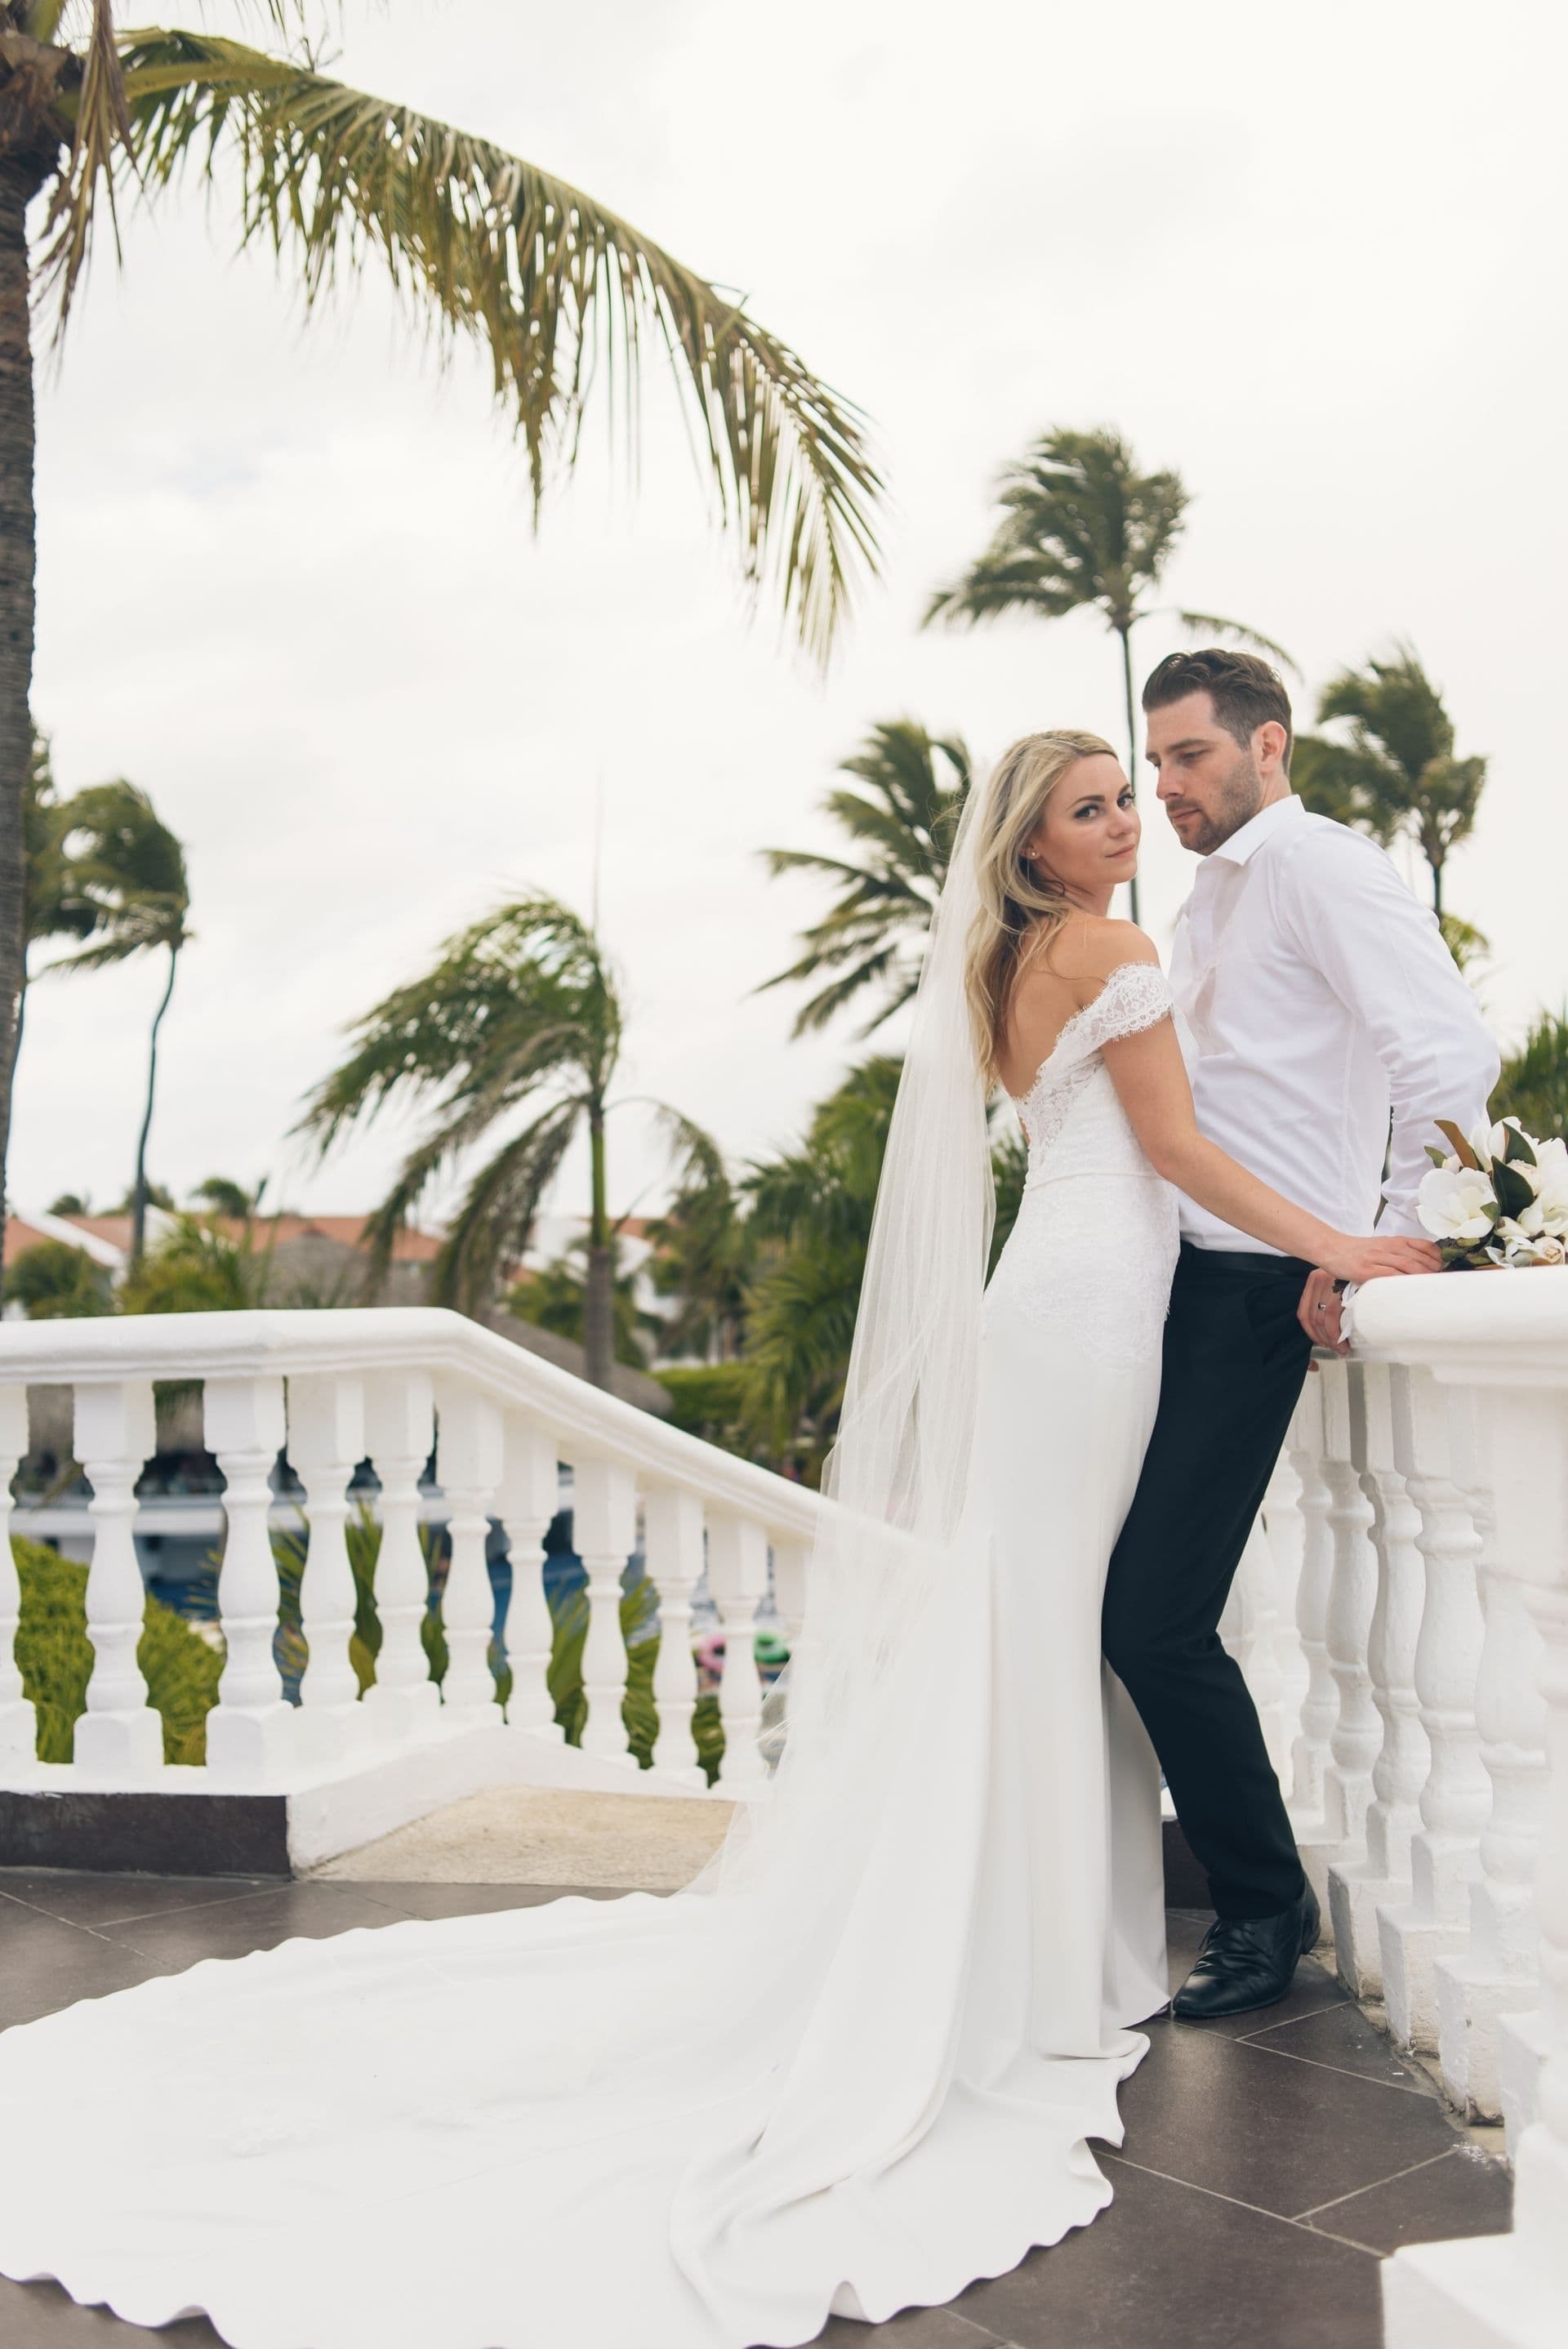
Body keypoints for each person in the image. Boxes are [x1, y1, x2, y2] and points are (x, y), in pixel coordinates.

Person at [0, 728, 1438, 2349]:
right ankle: (1043, 1951)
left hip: (1051, 1302)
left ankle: (1043, 1938)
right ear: (1038, 848)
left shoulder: (1004, 959)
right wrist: (1349, 1239)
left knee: (1035, 1607)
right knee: (1054, 1612)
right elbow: (1178, 1153)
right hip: (1102, 1312)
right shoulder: (1112, 946)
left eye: (1127, 801)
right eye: (1095, 808)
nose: (1126, 826)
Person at [1102, 649, 1499, 2021]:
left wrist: (1386, 1236)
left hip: (1261, 1286)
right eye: (1152, 764)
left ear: (1268, 746)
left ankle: (1262, 1910)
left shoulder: (1320, 866)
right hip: (1174, 1275)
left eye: (1189, 758)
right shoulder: (1222, 892)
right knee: (1121, 1595)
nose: (1166, 788)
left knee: (1153, 1617)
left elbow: (1448, 1054)